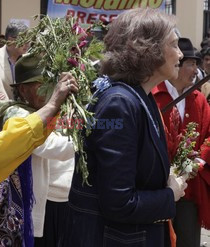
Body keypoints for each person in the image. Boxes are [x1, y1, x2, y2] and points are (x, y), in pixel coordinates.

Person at [61, 8, 187, 247]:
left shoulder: (140, 97)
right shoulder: (120, 103)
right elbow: (119, 203)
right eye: (174, 44)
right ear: (149, 49)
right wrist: (170, 194)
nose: (180, 54)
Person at [0, 72, 78, 246]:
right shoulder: (14, 112)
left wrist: (56, 108)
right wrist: (53, 105)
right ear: (23, 90)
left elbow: (26, 140)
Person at [0, 53, 75, 247]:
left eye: (51, 85)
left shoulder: (58, 108)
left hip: (68, 202)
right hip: (42, 207)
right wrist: (88, 136)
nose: (49, 91)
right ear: (23, 90)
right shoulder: (14, 114)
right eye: (42, 86)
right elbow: (54, 147)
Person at [152, 37, 210, 247]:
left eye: (197, 64)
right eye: (191, 64)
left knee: (188, 239)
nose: (196, 70)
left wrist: (198, 161)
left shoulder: (199, 99)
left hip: (190, 186)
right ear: (177, 64)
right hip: (159, 186)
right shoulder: (154, 95)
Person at [0, 22, 29, 99]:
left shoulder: (29, 59)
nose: (27, 44)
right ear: (10, 40)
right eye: (24, 40)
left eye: (29, 39)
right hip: (1, 107)